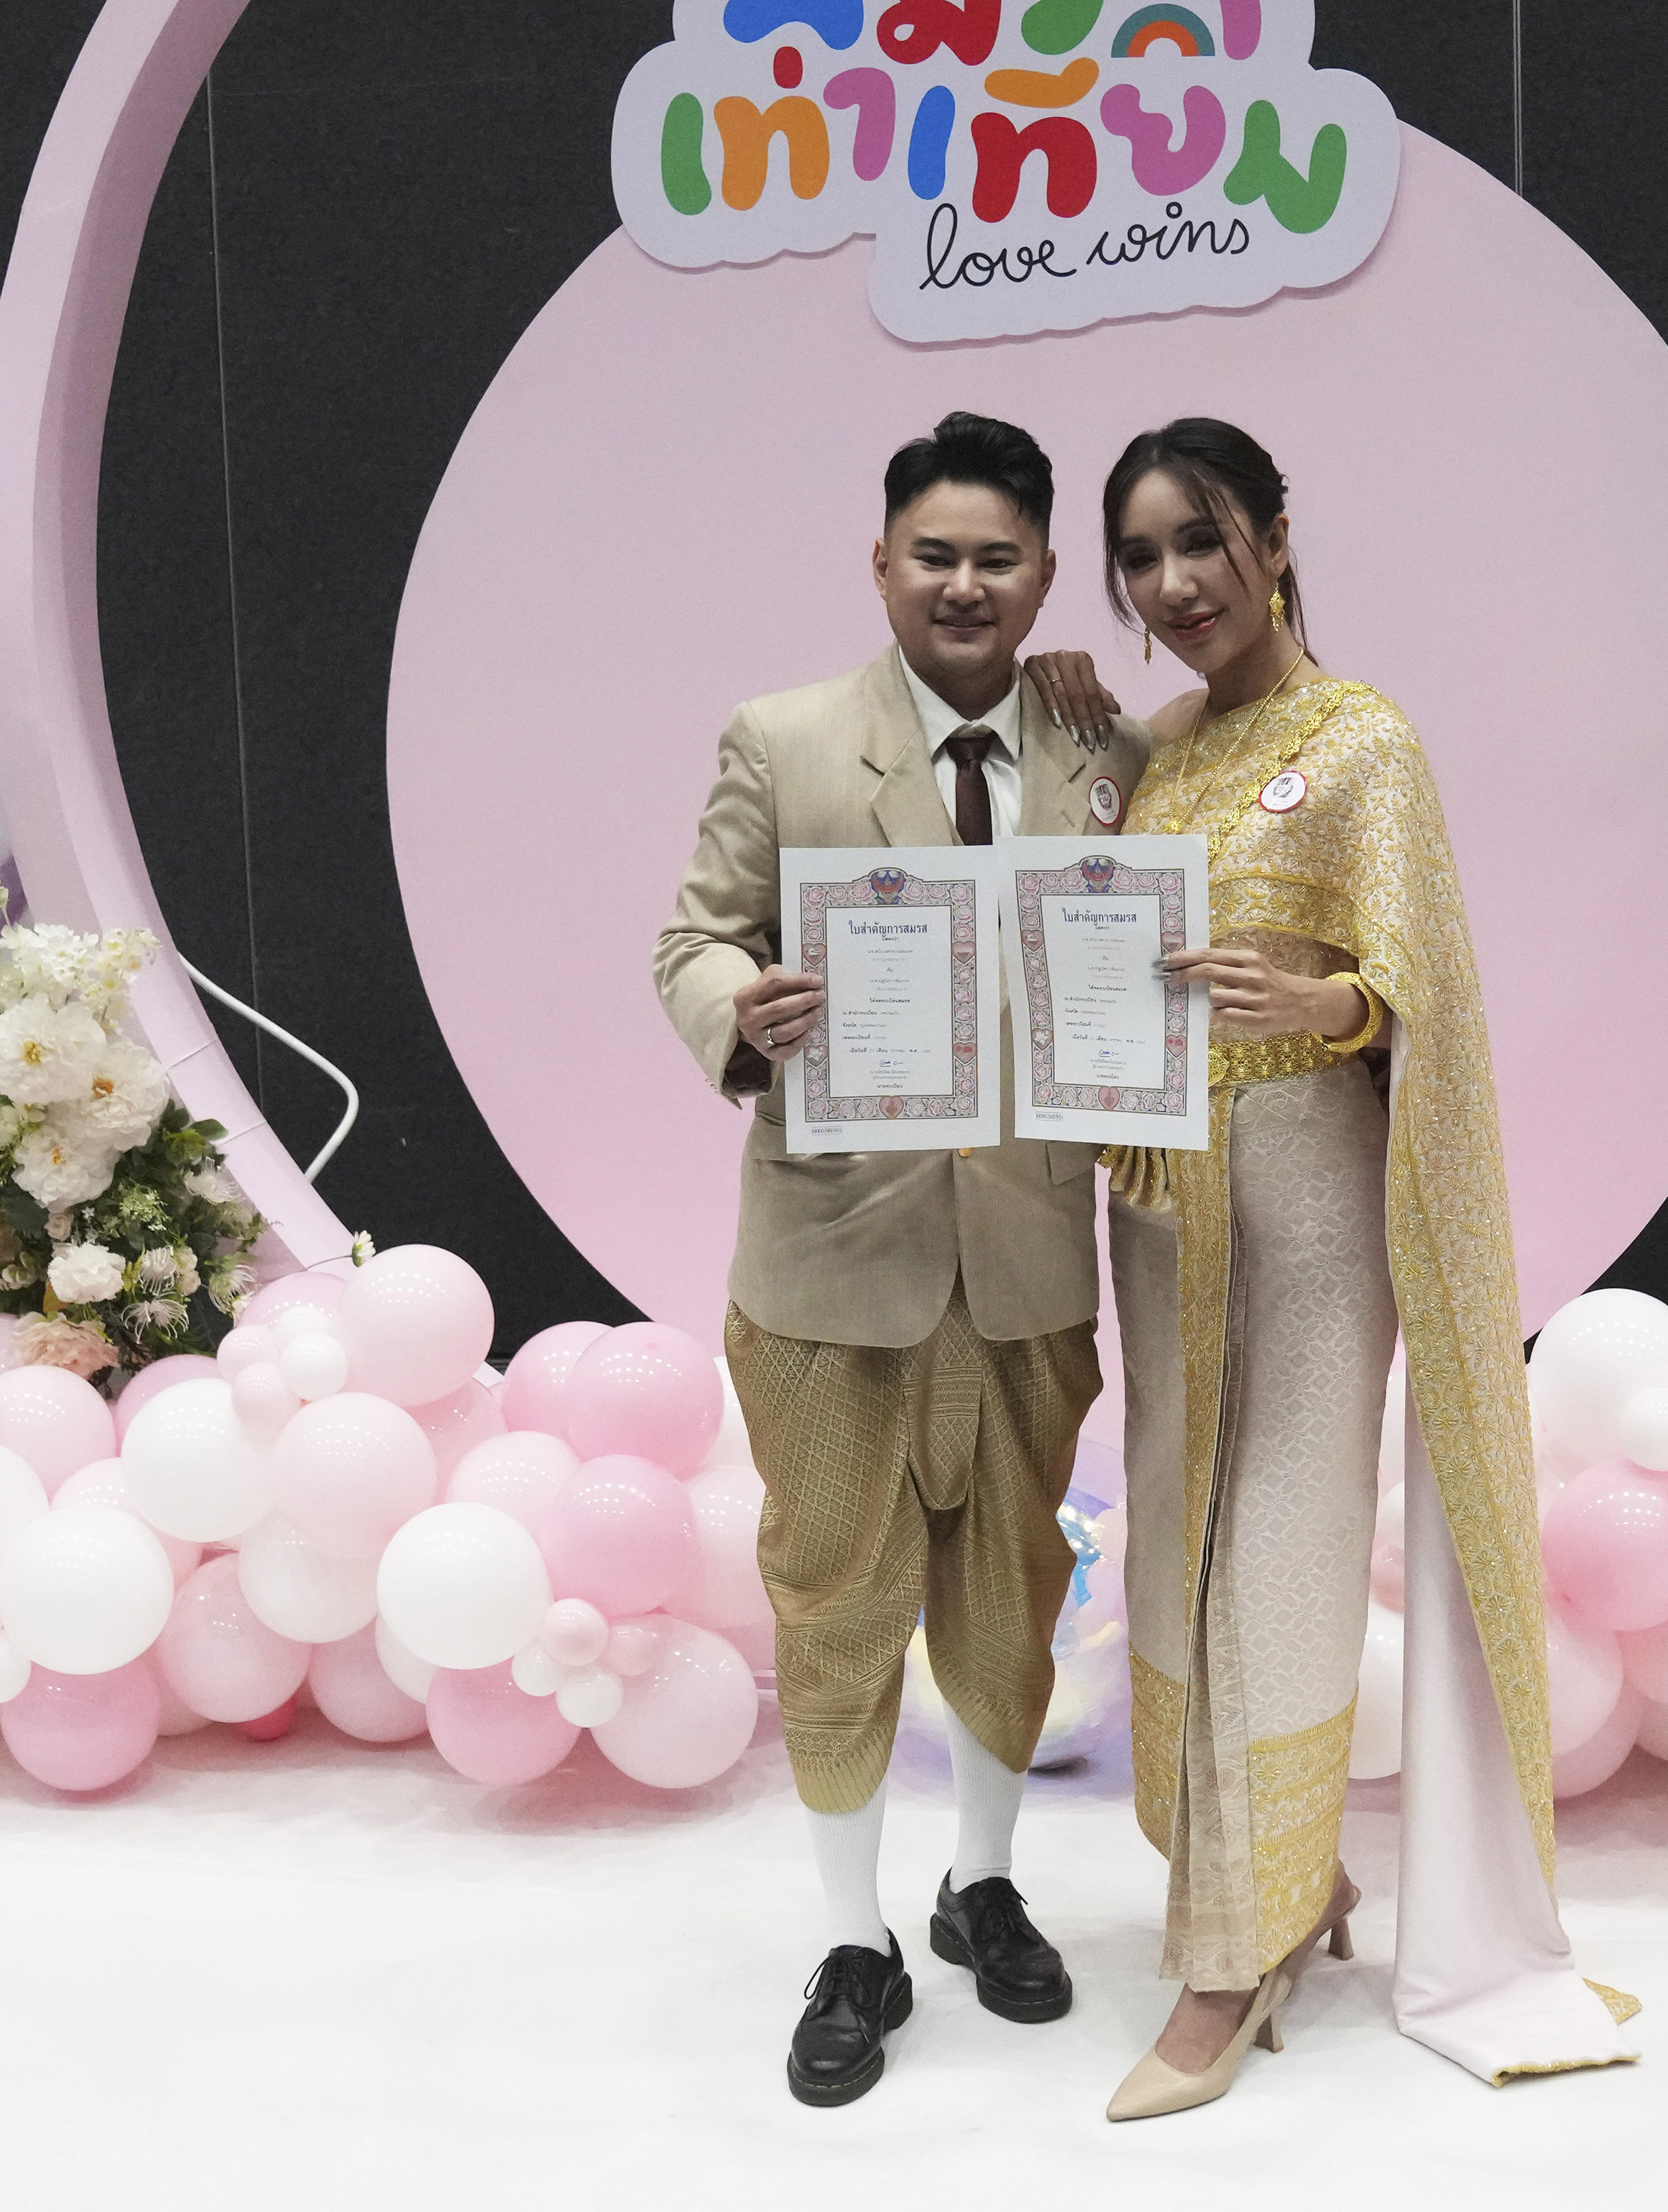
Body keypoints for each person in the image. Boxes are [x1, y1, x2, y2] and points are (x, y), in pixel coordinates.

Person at [1023, 417, 1637, 2121]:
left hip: (1303, 1205)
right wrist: (1069, 729)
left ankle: (1226, 1964)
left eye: (1200, 539)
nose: (1173, 583)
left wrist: (1340, 1007)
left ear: (1276, 537)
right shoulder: (1161, 747)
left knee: (1276, 1559)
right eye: (1140, 555)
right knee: (1176, 1555)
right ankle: (1295, 1888)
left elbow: (1425, 982)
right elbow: (1071, 902)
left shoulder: (1364, 742)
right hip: (1155, 1214)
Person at [655, 410, 1151, 2108]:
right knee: (840, 1597)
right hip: (827, 1258)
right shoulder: (784, 738)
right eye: (933, 553)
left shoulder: (1105, 752)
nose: (963, 582)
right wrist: (742, 1006)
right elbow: (692, 937)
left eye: (997, 555)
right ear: (881, 563)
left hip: (1027, 1253)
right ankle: (852, 1934)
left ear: (1043, 574)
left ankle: (980, 1884)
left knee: (1011, 1594)